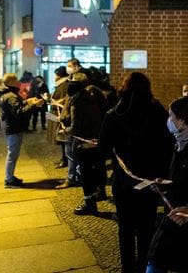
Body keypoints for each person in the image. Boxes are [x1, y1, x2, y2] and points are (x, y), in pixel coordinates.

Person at [99, 72, 174, 273]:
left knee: (125, 228)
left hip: (123, 182)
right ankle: (143, 265)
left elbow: (104, 148)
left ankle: (127, 269)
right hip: (151, 182)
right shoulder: (158, 111)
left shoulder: (114, 114)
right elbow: (168, 145)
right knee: (146, 228)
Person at [146, 96, 188, 273]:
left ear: (182, 121)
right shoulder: (179, 142)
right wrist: (165, 185)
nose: (168, 121)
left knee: (168, 263)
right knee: (157, 261)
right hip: (174, 213)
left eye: (171, 117)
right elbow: (180, 180)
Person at [61, 72, 109, 215]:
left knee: (85, 174)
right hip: (95, 139)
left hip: (84, 143)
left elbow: (76, 127)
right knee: (96, 169)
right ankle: (98, 193)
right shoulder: (90, 97)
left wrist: (65, 130)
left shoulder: (77, 102)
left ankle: (90, 204)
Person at [0, 73, 44, 188]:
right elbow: (19, 112)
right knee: (12, 155)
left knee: (13, 154)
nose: (19, 82)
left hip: (11, 127)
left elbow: (18, 105)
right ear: (11, 83)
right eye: (16, 80)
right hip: (13, 128)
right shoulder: (10, 96)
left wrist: (29, 101)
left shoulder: (6, 94)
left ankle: (10, 177)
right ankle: (9, 180)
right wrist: (33, 105)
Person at [50, 66, 70, 169]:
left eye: (56, 74)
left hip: (61, 114)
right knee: (61, 138)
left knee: (62, 139)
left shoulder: (64, 85)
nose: (55, 77)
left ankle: (65, 160)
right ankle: (64, 159)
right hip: (58, 113)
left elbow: (61, 100)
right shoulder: (61, 84)